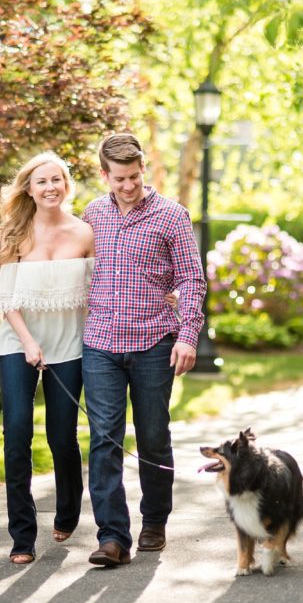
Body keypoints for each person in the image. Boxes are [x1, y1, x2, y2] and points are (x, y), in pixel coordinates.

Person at [81, 132, 205, 567]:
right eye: (119, 179)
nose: (128, 186)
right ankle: (113, 537)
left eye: (134, 176)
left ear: (143, 170)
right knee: (104, 439)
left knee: (153, 436)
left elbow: (192, 279)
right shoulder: (91, 214)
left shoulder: (172, 216)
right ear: (104, 174)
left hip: (154, 341)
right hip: (100, 344)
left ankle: (154, 520)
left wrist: (188, 334)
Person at [0, 152, 94, 565]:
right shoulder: (16, 233)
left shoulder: (85, 233)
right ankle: (22, 535)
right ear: (29, 189)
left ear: (66, 184)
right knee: (16, 434)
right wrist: (30, 342)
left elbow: (101, 287)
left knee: (61, 438)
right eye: (41, 181)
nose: (50, 187)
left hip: (69, 344)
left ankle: (68, 510)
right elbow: (6, 299)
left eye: (57, 179)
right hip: (20, 343)